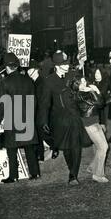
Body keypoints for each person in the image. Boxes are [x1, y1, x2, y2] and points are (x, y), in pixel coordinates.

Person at [38, 50, 91, 185]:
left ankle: (73, 175)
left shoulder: (73, 75)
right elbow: (45, 103)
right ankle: (71, 169)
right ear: (56, 65)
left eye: (67, 63)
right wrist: (43, 120)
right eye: (64, 64)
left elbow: (83, 87)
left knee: (76, 145)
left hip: (74, 116)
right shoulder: (49, 81)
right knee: (66, 147)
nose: (67, 66)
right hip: (59, 119)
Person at [0, 53, 40, 183]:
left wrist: (0, 119)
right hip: (27, 116)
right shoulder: (28, 80)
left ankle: (14, 176)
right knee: (29, 148)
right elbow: (34, 100)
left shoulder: (5, 82)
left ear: (7, 67)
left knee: (12, 148)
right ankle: (35, 173)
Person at [71, 76, 109, 183]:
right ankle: (98, 175)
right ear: (76, 85)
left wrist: (95, 90)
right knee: (103, 147)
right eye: (80, 82)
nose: (84, 84)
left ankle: (92, 168)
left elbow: (101, 104)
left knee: (100, 147)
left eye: (84, 81)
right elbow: (98, 103)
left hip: (94, 122)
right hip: (89, 123)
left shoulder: (85, 93)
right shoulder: (79, 95)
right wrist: (94, 90)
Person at [27, 60, 58, 162]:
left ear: (35, 70)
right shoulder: (32, 82)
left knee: (44, 134)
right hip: (35, 111)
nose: (28, 72)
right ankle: (40, 155)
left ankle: (55, 147)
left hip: (42, 112)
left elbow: (44, 100)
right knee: (38, 135)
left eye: (30, 69)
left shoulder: (42, 82)